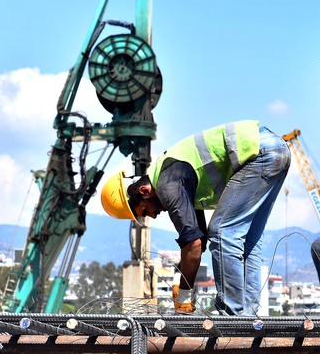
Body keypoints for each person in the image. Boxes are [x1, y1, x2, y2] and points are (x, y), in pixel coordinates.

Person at [100, 120, 291, 316]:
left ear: (144, 191)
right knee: (248, 238)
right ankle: (249, 314)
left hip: (258, 154)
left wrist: (183, 294)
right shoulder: (173, 175)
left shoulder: (168, 185)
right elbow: (198, 238)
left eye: (144, 210)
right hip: (275, 150)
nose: (152, 216)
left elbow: (194, 246)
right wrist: (181, 274)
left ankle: (232, 315)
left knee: (223, 231)